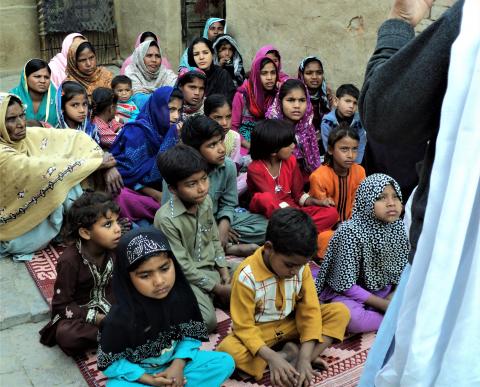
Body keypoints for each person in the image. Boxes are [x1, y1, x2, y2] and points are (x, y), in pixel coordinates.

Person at [358, 1, 478, 385]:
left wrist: (399, 21)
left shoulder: (471, 20)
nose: (393, 206)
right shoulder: (352, 235)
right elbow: (345, 282)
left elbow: (385, 111)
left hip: (449, 261)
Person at [217, 208, 350, 386]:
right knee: (228, 350)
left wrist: (304, 358)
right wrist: (271, 356)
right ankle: (286, 356)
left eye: (300, 266)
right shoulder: (246, 276)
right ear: (269, 248)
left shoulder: (300, 268)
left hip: (291, 323)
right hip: (260, 331)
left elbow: (309, 311)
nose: (294, 271)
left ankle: (302, 358)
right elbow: (244, 327)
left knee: (339, 312)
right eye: (289, 265)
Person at [97, 227, 235, 386]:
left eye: (164, 269)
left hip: (176, 365)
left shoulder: (181, 297)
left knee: (224, 362)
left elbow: (190, 336)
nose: (159, 281)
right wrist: (151, 380)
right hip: (141, 375)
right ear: (128, 278)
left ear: (173, 264)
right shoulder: (119, 316)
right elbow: (110, 363)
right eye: (145, 275)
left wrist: (178, 365)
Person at [0, 93, 122, 261]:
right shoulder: (2, 153)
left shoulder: (25, 137)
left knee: (67, 176)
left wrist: (105, 163)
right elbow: (42, 169)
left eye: (22, 115)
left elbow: (75, 138)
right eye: (11, 119)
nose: (21, 124)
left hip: (38, 207)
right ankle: (88, 226)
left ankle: (89, 224)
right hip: (14, 225)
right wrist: (97, 164)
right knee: (61, 181)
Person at [154, 145, 234, 332]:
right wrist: (217, 287)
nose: (201, 188)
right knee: (207, 323)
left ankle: (215, 295)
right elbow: (182, 266)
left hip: (212, 267)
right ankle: (208, 297)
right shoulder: (166, 219)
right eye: (191, 184)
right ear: (173, 189)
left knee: (249, 273)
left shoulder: (205, 201)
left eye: (204, 179)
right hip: (186, 277)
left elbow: (214, 239)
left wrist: (223, 271)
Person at [315, 174, 408, 333]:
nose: (391, 203)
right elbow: (346, 286)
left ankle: (393, 315)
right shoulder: (349, 232)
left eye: (396, 197)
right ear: (366, 201)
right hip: (348, 292)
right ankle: (396, 318)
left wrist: (392, 295)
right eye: (381, 197)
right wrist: (383, 305)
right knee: (354, 320)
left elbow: (401, 273)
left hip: (382, 290)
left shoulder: (398, 229)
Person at [169, 115, 268, 256]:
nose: (221, 149)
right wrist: (213, 230)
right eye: (212, 145)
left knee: (266, 226)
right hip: (191, 224)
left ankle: (217, 246)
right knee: (177, 239)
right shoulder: (178, 171)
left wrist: (223, 226)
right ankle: (228, 248)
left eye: (221, 141)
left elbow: (229, 203)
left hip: (219, 218)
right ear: (195, 150)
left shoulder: (227, 166)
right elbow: (174, 215)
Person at [39, 191, 120, 356]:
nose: (117, 229)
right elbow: (62, 305)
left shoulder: (116, 249)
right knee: (67, 336)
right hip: (82, 313)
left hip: (113, 305)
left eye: (116, 222)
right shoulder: (69, 261)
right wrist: (97, 318)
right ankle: (112, 335)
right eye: (108, 225)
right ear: (85, 233)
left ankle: (118, 331)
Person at [247, 119, 338, 234]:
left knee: (331, 213)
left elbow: (298, 195)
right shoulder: (255, 168)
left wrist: (319, 203)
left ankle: (294, 231)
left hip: (293, 214)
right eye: (288, 144)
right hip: (272, 214)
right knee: (264, 198)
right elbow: (270, 200)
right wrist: (294, 215)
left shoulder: (291, 161)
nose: (293, 146)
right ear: (273, 151)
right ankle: (300, 230)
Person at [111, 86, 183, 205]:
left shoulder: (172, 132)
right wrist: (154, 194)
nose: (176, 116)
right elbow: (130, 175)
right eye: (171, 109)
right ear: (157, 108)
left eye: (179, 111)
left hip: (162, 191)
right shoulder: (136, 132)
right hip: (132, 191)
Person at [309, 123, 366, 222]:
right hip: (327, 226)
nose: (350, 155)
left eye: (354, 149)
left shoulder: (360, 171)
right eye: (344, 149)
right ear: (331, 150)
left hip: (353, 224)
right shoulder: (318, 177)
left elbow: (359, 204)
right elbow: (323, 211)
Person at [266, 78, 322, 175]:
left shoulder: (307, 127)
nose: (297, 105)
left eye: (302, 100)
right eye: (291, 100)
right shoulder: (271, 128)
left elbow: (314, 165)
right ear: (280, 102)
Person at [232, 55, 278, 151]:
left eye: (273, 73)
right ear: (256, 75)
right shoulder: (241, 95)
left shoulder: (276, 95)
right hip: (244, 145)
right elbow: (232, 128)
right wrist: (249, 146)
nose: (269, 78)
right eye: (264, 73)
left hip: (269, 145)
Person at [125, 40, 177, 109]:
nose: (154, 60)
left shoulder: (165, 73)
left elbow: (178, 88)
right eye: (149, 56)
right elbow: (138, 101)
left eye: (157, 56)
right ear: (140, 57)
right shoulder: (132, 73)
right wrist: (166, 97)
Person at [321, 84, 366, 163]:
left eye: (355, 103)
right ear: (336, 101)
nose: (351, 106)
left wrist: (357, 164)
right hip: (334, 162)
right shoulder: (327, 122)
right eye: (347, 101)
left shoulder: (359, 120)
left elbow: (361, 144)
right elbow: (327, 146)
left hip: (354, 160)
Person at [9, 58, 58, 127]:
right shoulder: (12, 97)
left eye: (46, 77)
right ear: (25, 77)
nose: (43, 81)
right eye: (37, 76)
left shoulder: (57, 98)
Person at [187, 37, 236, 102]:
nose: (201, 57)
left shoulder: (222, 75)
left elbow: (228, 103)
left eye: (205, 53)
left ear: (212, 54)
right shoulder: (187, 77)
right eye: (196, 54)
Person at [298, 56, 333, 141]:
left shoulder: (327, 96)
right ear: (302, 75)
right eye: (309, 73)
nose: (314, 77)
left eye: (319, 73)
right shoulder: (296, 97)